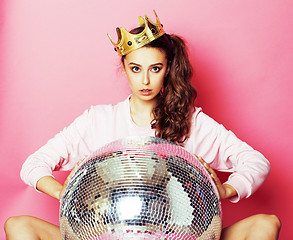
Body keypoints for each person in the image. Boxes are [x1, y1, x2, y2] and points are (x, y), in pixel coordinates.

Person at [4, 10, 281, 240]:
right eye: (136, 69)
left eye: (155, 69)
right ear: (124, 68)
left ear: (168, 69)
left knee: (265, 224)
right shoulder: (98, 120)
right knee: (19, 226)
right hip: (107, 235)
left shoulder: (191, 122)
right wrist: (63, 192)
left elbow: (256, 162)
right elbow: (33, 164)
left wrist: (224, 190)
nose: (145, 81)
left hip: (179, 236)